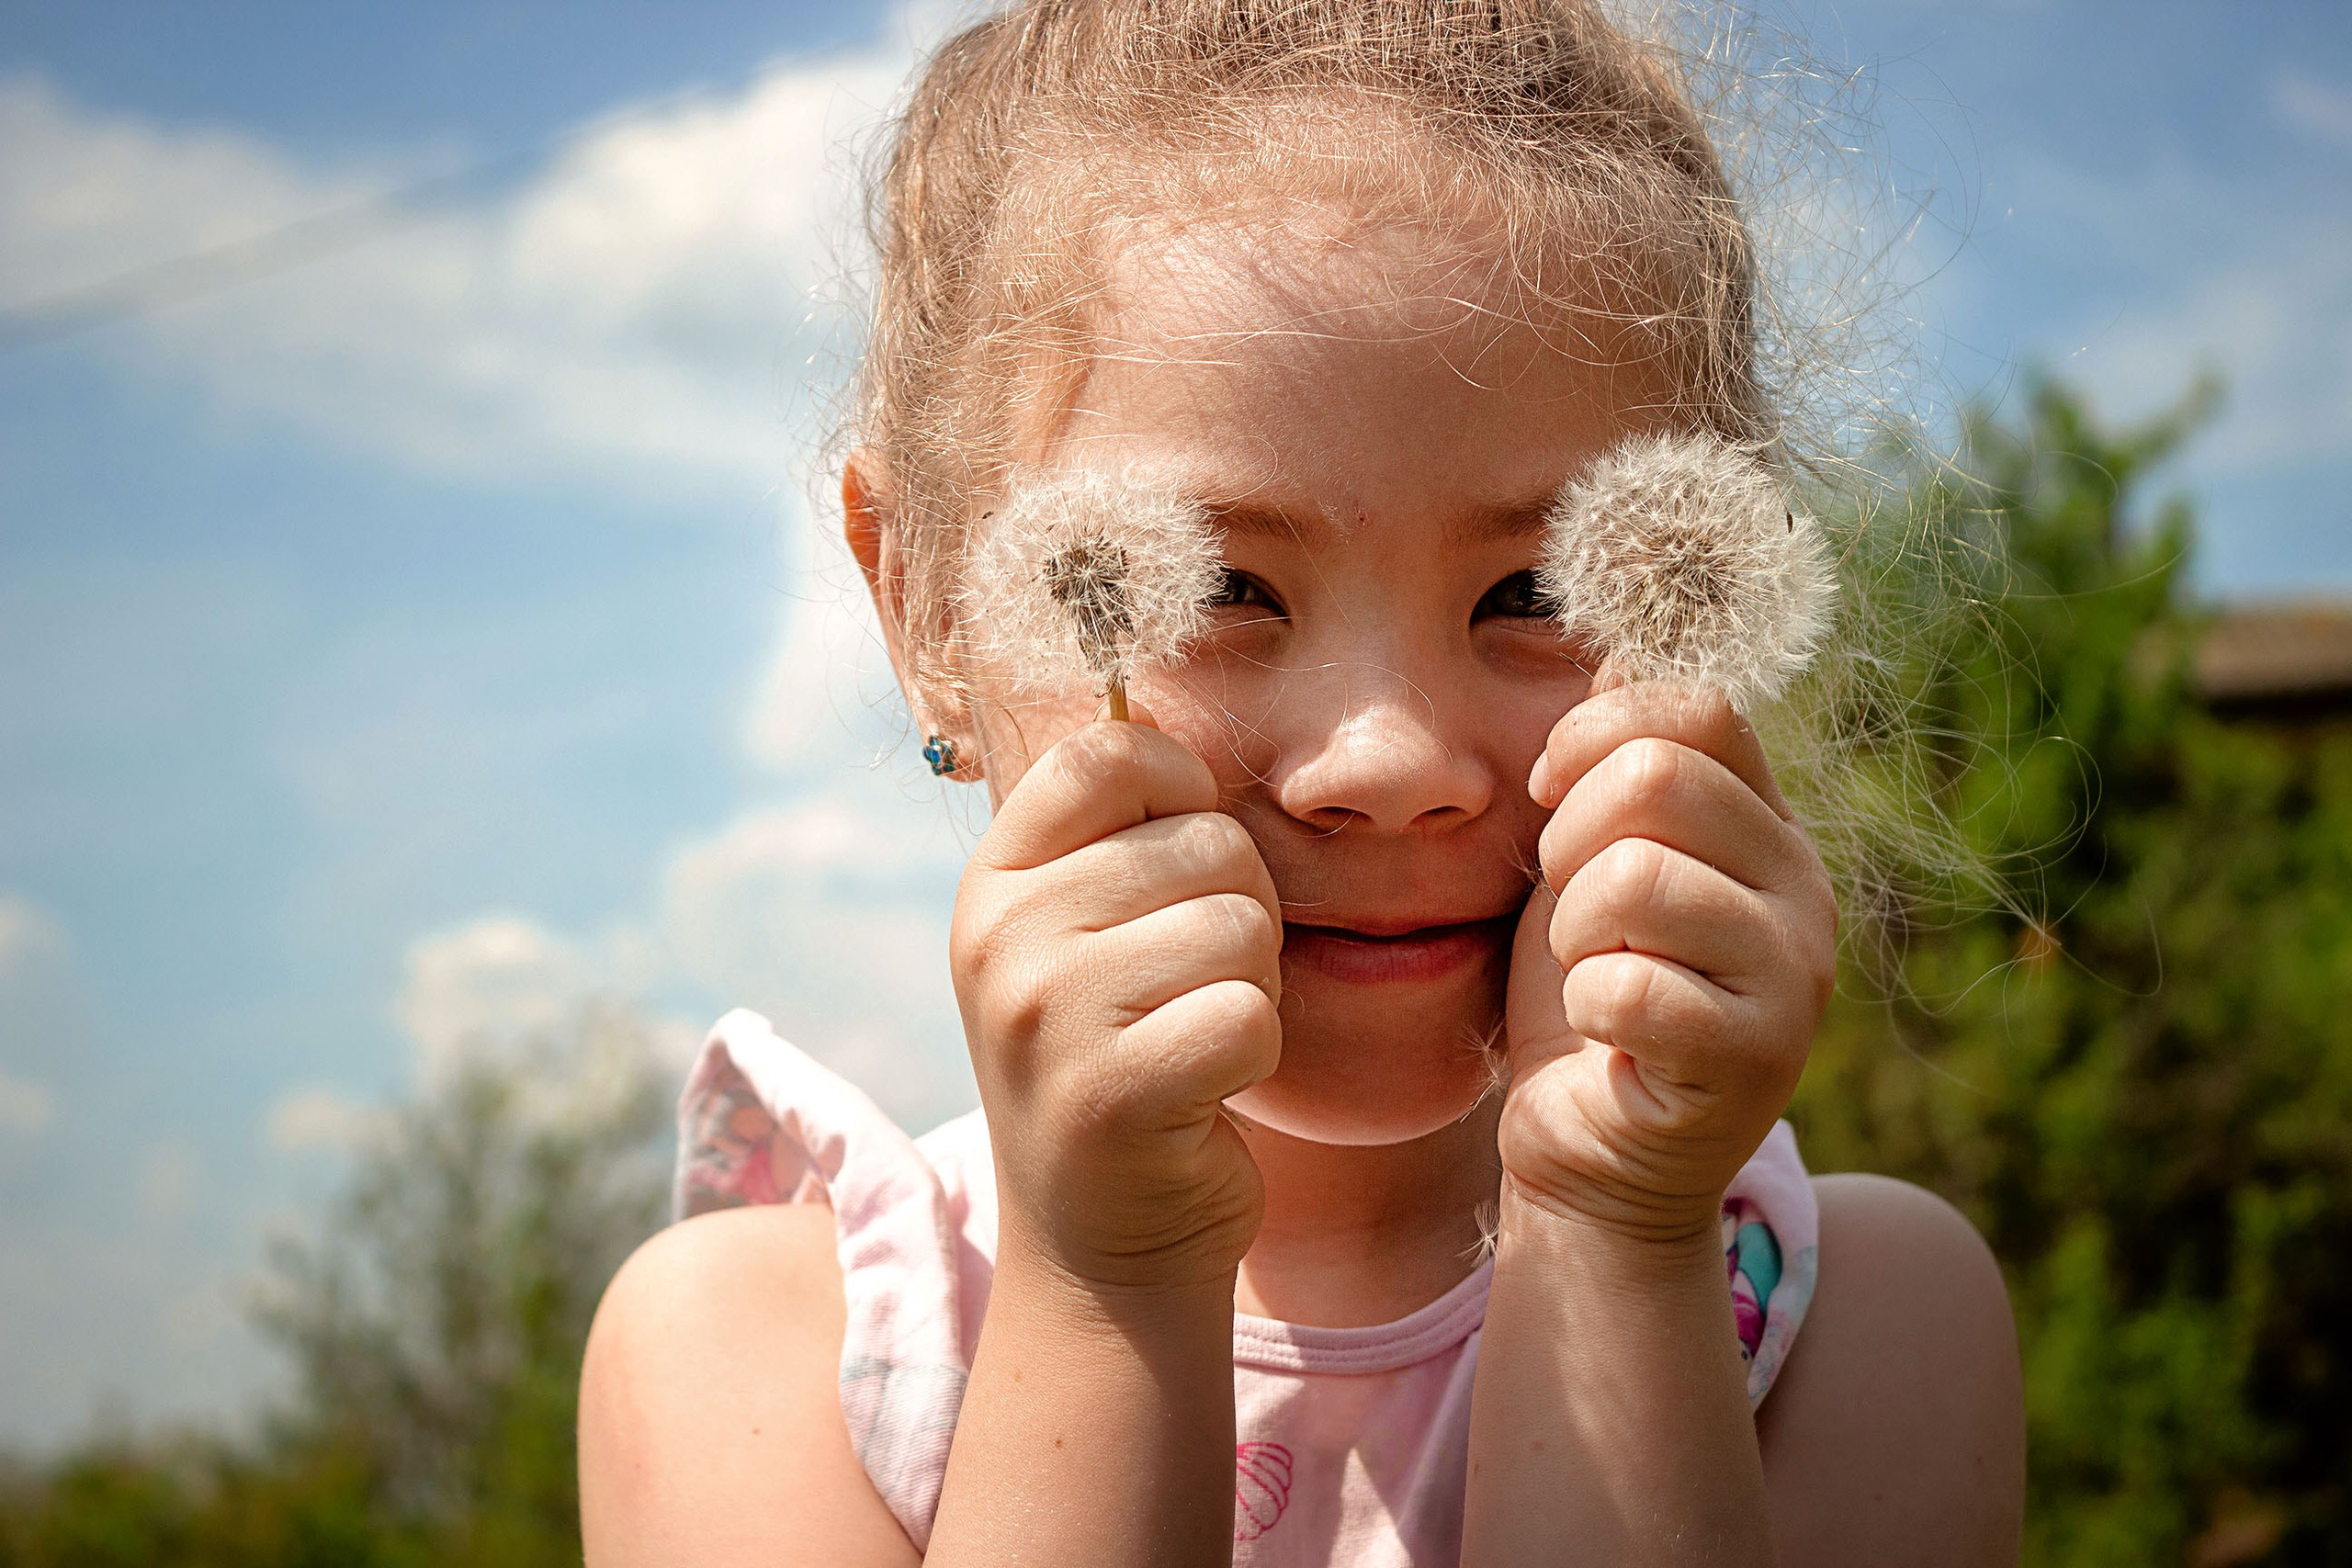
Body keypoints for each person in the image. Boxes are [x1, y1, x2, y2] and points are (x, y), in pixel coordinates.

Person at [577, 2, 2026, 1562]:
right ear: (926, 604)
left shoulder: (1866, 1323)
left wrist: (1615, 1235)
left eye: (1535, 593)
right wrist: (1108, 1281)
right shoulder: (756, 1355)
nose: (1391, 764)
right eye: (1222, 588)